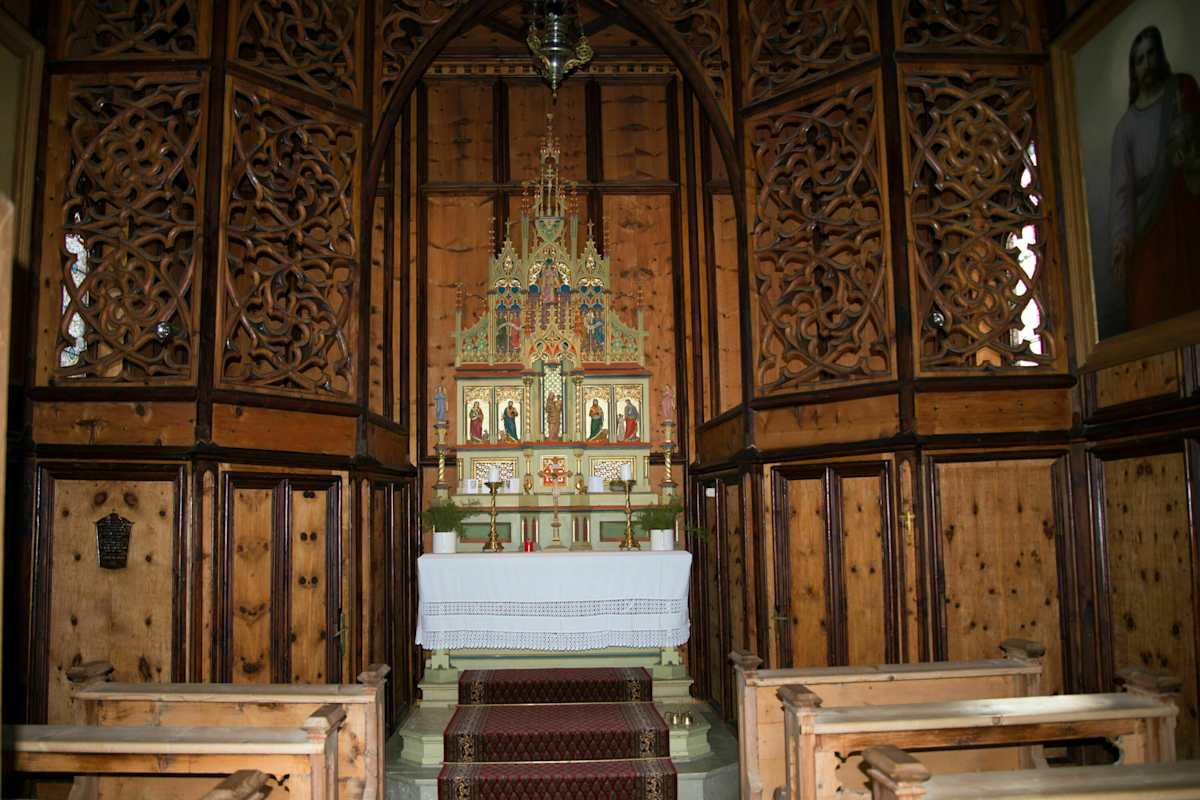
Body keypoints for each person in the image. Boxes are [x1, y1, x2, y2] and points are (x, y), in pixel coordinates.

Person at [1109, 25, 1200, 331]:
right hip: (1150, 222)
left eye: (1151, 55)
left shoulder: (1181, 91)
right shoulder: (1126, 128)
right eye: (1140, 59)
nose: (1147, 64)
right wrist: (1121, 241)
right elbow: (1122, 192)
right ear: (1133, 70)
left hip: (1187, 206)